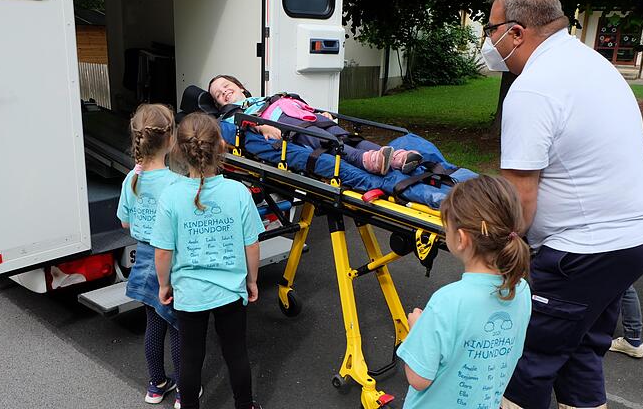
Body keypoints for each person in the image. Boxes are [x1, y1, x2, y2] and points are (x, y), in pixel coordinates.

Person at [483, 0, 643, 409]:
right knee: (581, 346)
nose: (488, 40)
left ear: (516, 32)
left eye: (491, 30)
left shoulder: (533, 88)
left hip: (585, 250)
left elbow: (519, 200)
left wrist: (496, 260)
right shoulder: (590, 60)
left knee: (529, 355)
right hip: (639, 236)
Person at [151, 112, 265, 409]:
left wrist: (164, 285)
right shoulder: (238, 192)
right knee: (236, 352)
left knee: (191, 356)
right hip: (230, 290)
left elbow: (163, 252)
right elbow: (251, 244)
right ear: (221, 147)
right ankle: (245, 405)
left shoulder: (171, 196)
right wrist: (251, 280)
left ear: (177, 149)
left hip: (189, 293)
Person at [396, 175, 532, 408]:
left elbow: (418, 379)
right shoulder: (520, 289)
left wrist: (417, 330)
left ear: (461, 239)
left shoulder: (447, 301)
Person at [208, 75, 423, 175]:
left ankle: (395, 158)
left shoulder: (261, 98)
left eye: (226, 86)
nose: (224, 92)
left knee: (344, 135)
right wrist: (262, 127)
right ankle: (365, 161)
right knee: (323, 140)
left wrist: (320, 113)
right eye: (219, 95)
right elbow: (241, 125)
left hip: (302, 114)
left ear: (240, 86)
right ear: (219, 104)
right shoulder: (232, 114)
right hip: (283, 122)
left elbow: (294, 101)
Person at [116, 104, 182, 406]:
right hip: (173, 263)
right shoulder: (177, 183)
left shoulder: (132, 178)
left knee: (154, 325)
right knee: (180, 327)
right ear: (170, 139)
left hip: (143, 260)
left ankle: (156, 385)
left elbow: (125, 222)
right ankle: (185, 388)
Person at [609, 99, 643, 359]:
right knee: (619, 281)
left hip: (629, 229)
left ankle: (633, 339)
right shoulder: (637, 152)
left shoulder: (625, 153)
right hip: (641, 227)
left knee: (623, 283)